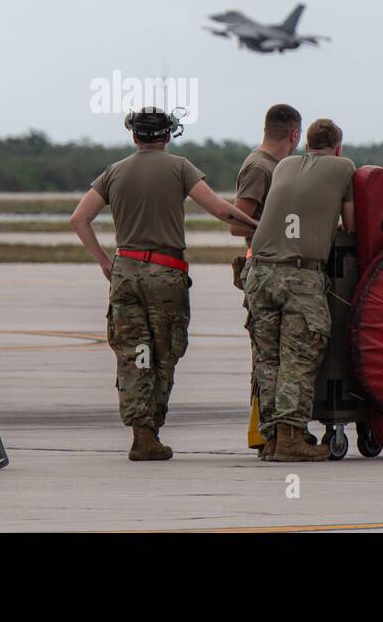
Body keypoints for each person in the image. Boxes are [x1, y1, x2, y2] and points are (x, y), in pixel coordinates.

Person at [69, 106, 259, 461]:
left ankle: (141, 433)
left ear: (134, 135)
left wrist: (105, 262)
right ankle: (151, 429)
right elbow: (221, 210)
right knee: (163, 352)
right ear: (168, 135)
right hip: (165, 272)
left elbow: (79, 218)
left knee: (133, 354)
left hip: (125, 270)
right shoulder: (180, 168)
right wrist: (261, 229)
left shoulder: (114, 172)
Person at [243, 118, 356, 462]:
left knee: (269, 358)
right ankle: (292, 438)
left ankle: (274, 436)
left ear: (305, 144)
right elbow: (351, 226)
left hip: (259, 272)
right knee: (298, 356)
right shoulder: (344, 167)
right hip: (299, 274)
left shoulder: (285, 165)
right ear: (338, 147)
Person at [230, 104, 303, 457]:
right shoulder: (260, 168)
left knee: (271, 358)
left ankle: (271, 435)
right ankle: (267, 434)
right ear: (294, 134)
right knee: (268, 359)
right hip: (263, 268)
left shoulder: (278, 167)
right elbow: (238, 222)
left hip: (273, 269)